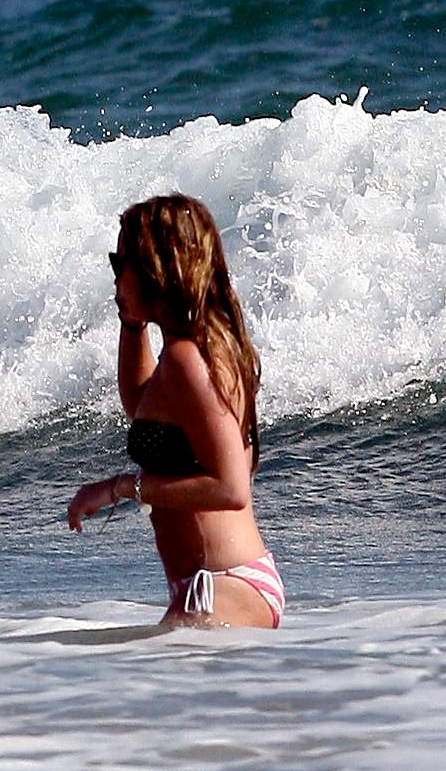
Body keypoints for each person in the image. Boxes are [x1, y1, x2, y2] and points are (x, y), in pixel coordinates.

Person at [67, 194, 284, 628]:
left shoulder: (189, 357)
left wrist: (120, 488)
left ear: (154, 268)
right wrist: (132, 323)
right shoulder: (189, 349)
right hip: (208, 584)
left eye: (121, 265)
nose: (115, 280)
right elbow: (142, 407)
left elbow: (231, 488)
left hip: (225, 582)